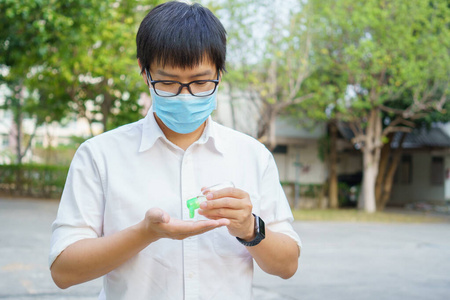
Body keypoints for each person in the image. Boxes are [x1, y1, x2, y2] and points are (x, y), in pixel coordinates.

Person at [49, 1, 301, 299]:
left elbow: (287, 266)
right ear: (145, 72)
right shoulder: (100, 156)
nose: (186, 95)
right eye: (168, 82)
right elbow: (63, 271)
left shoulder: (252, 156)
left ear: (220, 72)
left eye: (200, 81)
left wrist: (250, 229)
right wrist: (146, 233)